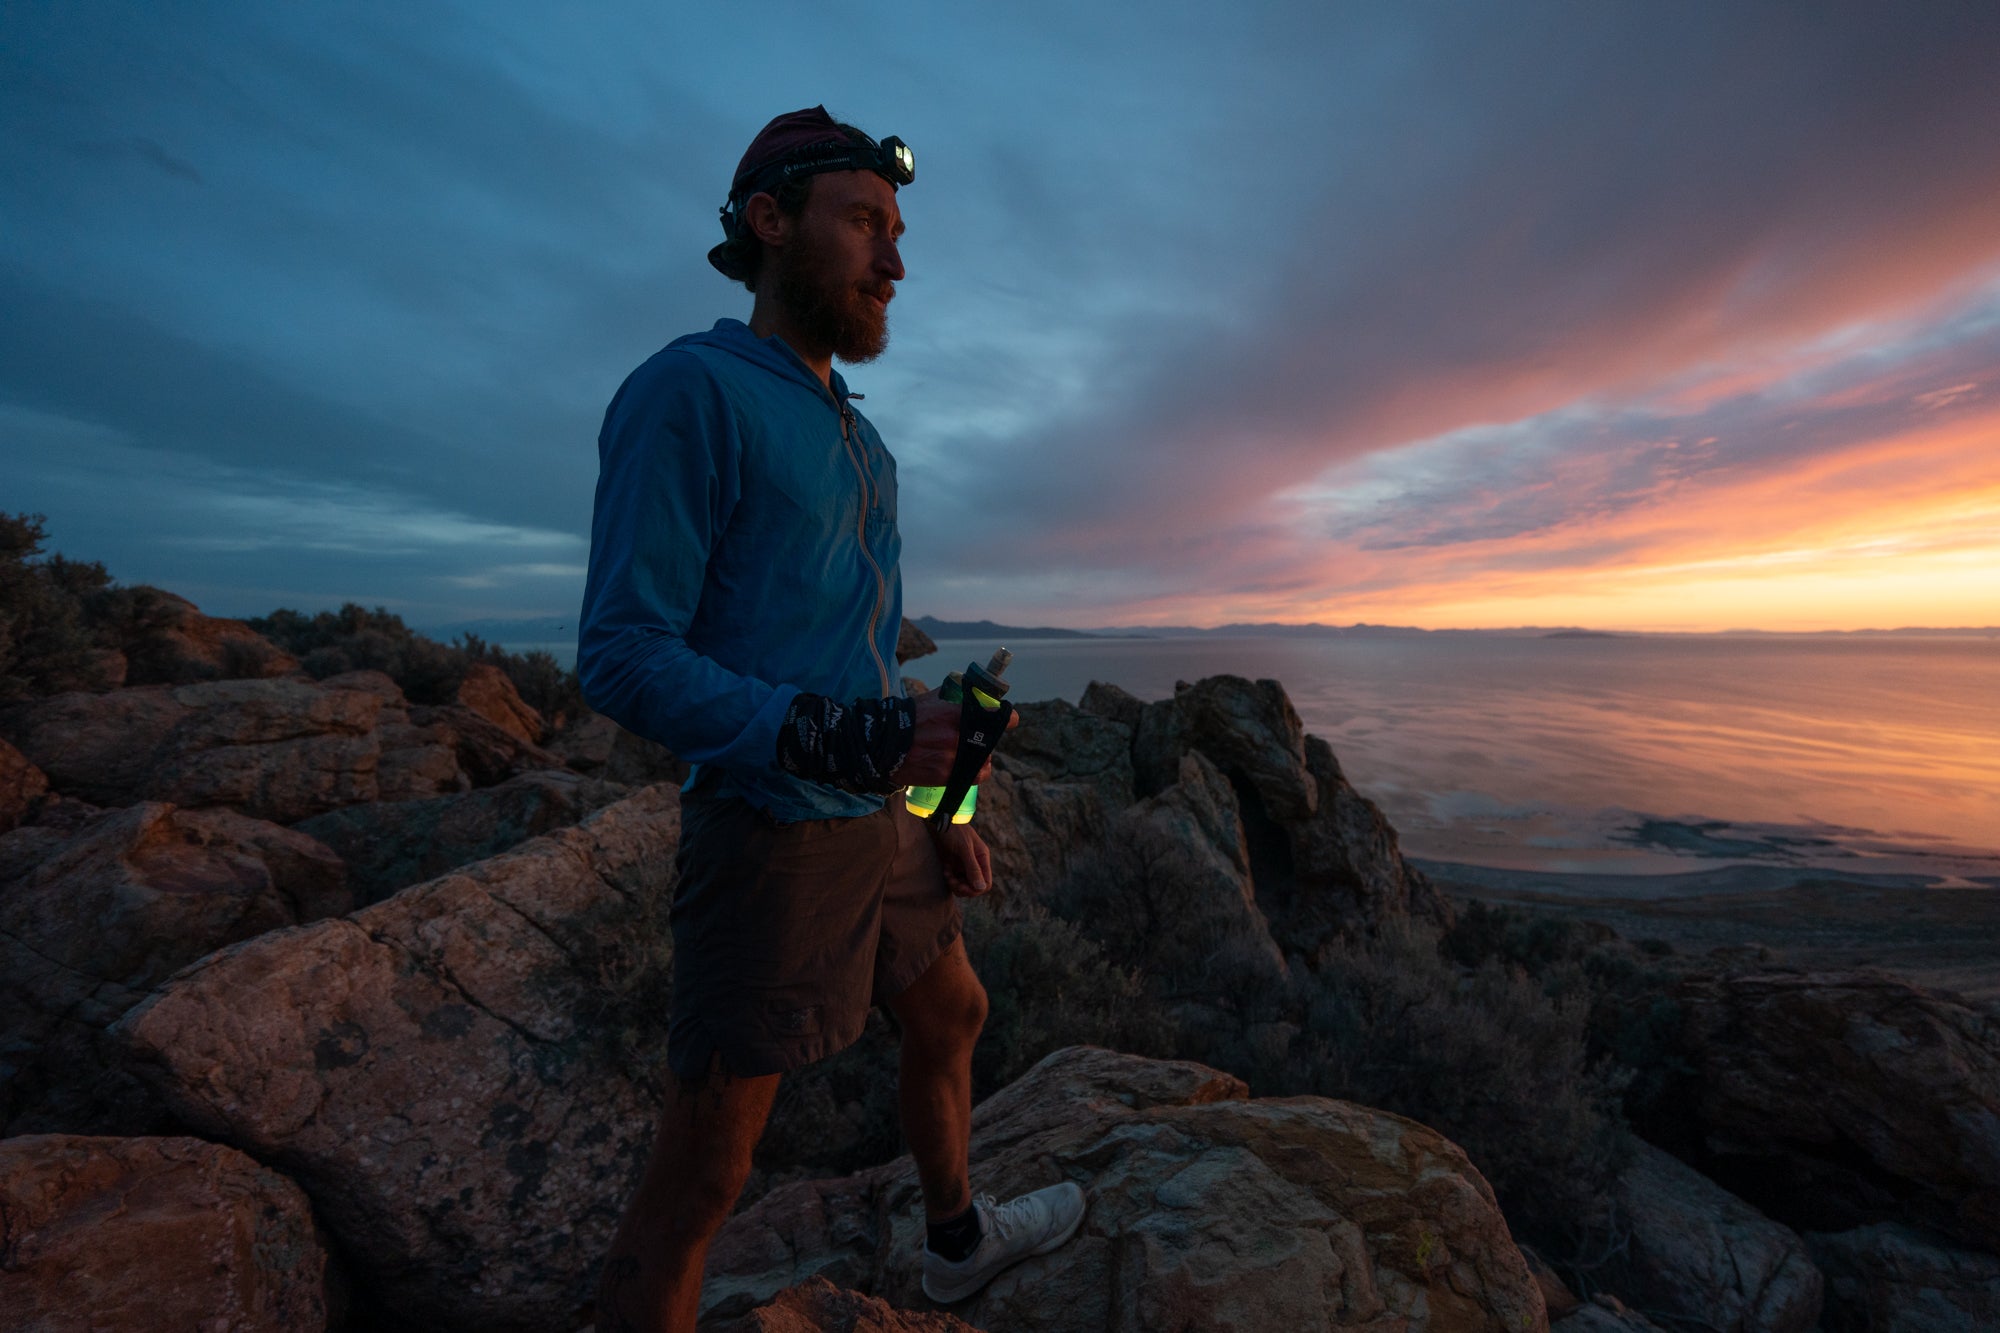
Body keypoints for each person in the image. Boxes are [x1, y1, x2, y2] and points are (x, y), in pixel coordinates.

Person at [576, 106, 1086, 1333]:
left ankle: (955, 1244)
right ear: (767, 223)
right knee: (704, 1173)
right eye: (865, 222)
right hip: (768, 836)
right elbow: (623, 654)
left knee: (954, 1010)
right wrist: (832, 741)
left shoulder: (862, 441)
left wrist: (936, 799)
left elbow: (863, 672)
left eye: (897, 231)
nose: (896, 260)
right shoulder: (688, 392)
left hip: (877, 820)